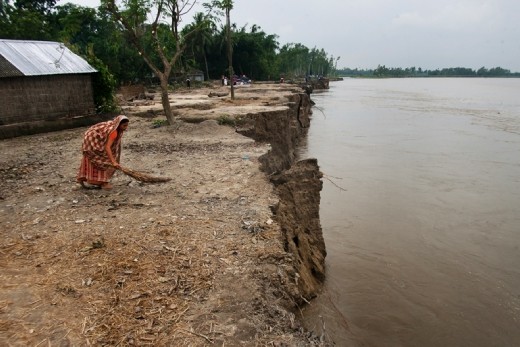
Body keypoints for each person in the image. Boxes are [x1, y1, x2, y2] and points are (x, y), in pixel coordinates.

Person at [77, 115, 129, 189]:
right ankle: (103, 182)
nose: (126, 128)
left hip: (95, 138)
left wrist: (117, 158)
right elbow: (107, 147)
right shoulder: (113, 132)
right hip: (92, 140)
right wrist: (113, 161)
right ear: (118, 124)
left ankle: (85, 178)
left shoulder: (116, 127)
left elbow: (117, 143)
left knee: (106, 158)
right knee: (102, 160)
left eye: (127, 125)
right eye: (124, 125)